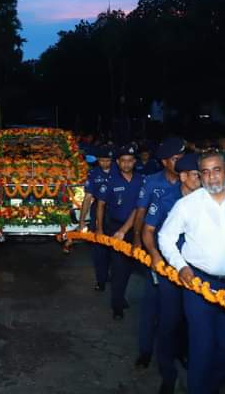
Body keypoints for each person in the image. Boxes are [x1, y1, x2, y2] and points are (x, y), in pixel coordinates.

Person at [158, 149, 225, 394]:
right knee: (201, 347)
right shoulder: (187, 205)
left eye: (217, 170)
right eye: (205, 172)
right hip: (199, 285)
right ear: (200, 175)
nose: (212, 177)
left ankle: (210, 385)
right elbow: (165, 237)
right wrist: (181, 266)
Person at [137, 153, 201, 393]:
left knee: (191, 321)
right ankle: (167, 374)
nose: (202, 179)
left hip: (197, 273)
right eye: (197, 175)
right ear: (184, 177)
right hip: (170, 271)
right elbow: (148, 230)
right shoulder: (166, 200)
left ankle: (185, 356)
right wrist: (153, 254)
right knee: (168, 322)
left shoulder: (207, 201)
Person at [95, 143, 144, 320]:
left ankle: (120, 295)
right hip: (115, 228)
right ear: (118, 162)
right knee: (118, 267)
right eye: (123, 161)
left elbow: (141, 208)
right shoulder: (111, 181)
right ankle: (117, 306)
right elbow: (100, 205)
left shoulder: (141, 180)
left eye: (130, 161)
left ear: (134, 162)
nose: (126, 164)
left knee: (129, 267)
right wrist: (99, 228)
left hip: (136, 230)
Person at [79, 145, 117, 291]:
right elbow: (88, 198)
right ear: (97, 160)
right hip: (98, 216)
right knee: (99, 251)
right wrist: (82, 221)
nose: (105, 163)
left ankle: (116, 281)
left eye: (108, 160)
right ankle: (101, 281)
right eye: (102, 160)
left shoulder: (119, 171)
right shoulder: (93, 174)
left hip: (115, 214)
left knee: (116, 251)